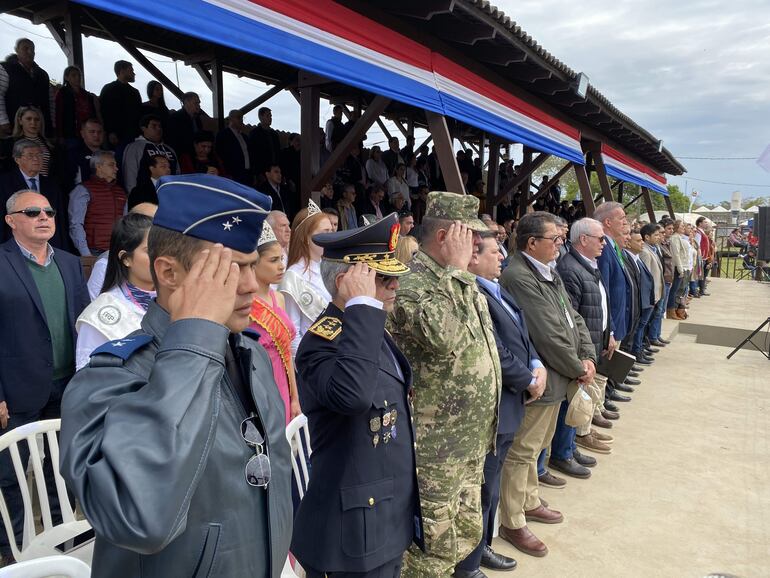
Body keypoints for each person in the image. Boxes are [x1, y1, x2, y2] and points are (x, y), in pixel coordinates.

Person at [59, 173, 292, 577]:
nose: (250, 286)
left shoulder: (249, 353)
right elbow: (139, 517)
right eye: (229, 270)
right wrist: (195, 335)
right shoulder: (109, 379)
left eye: (253, 266)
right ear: (168, 273)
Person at [293, 213, 421, 577]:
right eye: (381, 278)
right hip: (354, 531)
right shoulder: (322, 342)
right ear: (346, 283)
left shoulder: (367, 326)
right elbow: (353, 397)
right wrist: (361, 305)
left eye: (394, 276)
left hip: (383, 513)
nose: (394, 285)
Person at [387, 192, 501, 577]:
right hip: (435, 448)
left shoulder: (458, 280)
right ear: (444, 237)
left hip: (467, 440)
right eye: (471, 235)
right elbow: (443, 336)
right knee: (429, 552)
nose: (478, 243)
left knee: (463, 534)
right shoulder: (412, 283)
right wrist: (456, 271)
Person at [498, 211, 596, 557]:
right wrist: (578, 366)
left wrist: (587, 355)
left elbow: (573, 318)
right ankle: (512, 520)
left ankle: (529, 500)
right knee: (522, 451)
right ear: (531, 243)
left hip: (558, 374)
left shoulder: (547, 270)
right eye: (554, 239)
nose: (560, 244)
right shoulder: (518, 276)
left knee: (538, 444)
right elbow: (547, 334)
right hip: (542, 378)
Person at [0, 189, 89, 562]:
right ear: (11, 221)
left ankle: (62, 541)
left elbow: (83, 321)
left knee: (61, 466)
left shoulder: (69, 263)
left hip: (67, 385)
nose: (44, 217)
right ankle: (11, 550)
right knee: (10, 473)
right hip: (15, 388)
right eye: (33, 211)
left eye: (49, 211)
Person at [456, 232, 547, 576]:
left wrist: (536, 363)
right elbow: (495, 350)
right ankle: (470, 561)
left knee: (491, 486)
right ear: (473, 257)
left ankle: (483, 547)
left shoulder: (497, 288)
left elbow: (522, 335)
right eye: (495, 252)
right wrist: (527, 379)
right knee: (482, 488)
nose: (502, 258)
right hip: (494, 406)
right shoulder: (473, 295)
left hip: (511, 402)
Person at [556, 218, 615, 455]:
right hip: (580, 349)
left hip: (592, 342)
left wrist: (608, 333)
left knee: (582, 397)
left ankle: (574, 443)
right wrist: (582, 353)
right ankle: (564, 451)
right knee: (572, 401)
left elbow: (601, 303)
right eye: (600, 238)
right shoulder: (570, 269)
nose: (604, 243)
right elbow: (572, 317)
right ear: (583, 239)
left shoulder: (589, 265)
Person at [75, 213, 155, 369]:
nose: (161, 256)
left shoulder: (177, 302)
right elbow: (89, 376)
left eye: (164, 247)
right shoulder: (98, 316)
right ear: (126, 258)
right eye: (150, 250)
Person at [247, 222, 299, 424]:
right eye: (273, 260)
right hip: (261, 386)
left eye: (281, 259)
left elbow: (287, 353)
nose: (281, 266)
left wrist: (295, 398)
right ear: (254, 263)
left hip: (284, 384)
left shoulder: (279, 298)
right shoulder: (244, 305)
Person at [280, 201, 334, 357]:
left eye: (331, 231)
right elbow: (293, 334)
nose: (331, 237)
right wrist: (307, 365)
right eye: (325, 232)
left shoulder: (330, 268)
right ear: (306, 238)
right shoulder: (293, 277)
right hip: (314, 358)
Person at [0, 139, 69, 250]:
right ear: (17, 159)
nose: (36, 159)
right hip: (16, 245)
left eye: (39, 155)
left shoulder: (52, 184)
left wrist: (62, 248)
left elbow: (60, 220)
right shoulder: (4, 183)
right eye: (30, 156)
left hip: (50, 246)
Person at [86, 202, 157, 301]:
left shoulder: (170, 295)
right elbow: (91, 301)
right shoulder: (108, 303)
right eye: (150, 250)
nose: (160, 256)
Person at [68, 150, 127, 256]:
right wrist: (86, 254)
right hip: (94, 251)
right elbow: (76, 224)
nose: (116, 168)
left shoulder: (120, 192)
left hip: (117, 251)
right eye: (111, 165)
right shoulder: (83, 190)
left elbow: (125, 224)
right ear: (98, 167)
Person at [0, 39, 52, 135]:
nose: (30, 52)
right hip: (12, 127)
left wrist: (51, 126)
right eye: (25, 48)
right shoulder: (5, 68)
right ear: (17, 50)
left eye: (32, 49)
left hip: (39, 129)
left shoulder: (43, 75)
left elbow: (49, 102)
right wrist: (3, 120)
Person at [121, 113, 180, 192]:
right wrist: (133, 196)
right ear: (143, 128)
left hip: (171, 192)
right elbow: (130, 174)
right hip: (146, 195)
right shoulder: (135, 147)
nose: (158, 129)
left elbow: (177, 173)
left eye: (160, 126)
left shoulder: (169, 149)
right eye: (154, 126)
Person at [626, 228, 656, 364]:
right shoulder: (628, 258)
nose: (642, 243)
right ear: (628, 243)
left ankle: (637, 351)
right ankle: (635, 353)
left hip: (644, 300)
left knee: (640, 327)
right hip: (639, 301)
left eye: (642, 240)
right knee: (636, 329)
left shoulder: (637, 258)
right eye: (638, 241)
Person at [99, 60, 142, 146]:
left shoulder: (134, 92)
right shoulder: (109, 89)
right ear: (122, 71)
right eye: (131, 70)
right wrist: (110, 131)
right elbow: (105, 112)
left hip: (132, 135)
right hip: (118, 135)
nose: (134, 73)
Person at [54, 65, 100, 146]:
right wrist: (60, 135)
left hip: (87, 132)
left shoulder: (86, 95)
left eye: (79, 75)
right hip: (71, 133)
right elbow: (59, 114)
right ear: (67, 77)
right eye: (74, 75)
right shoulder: (63, 93)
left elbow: (92, 114)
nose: (77, 78)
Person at [2, 105, 54, 176]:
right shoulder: (10, 144)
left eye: (37, 119)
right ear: (20, 121)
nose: (33, 123)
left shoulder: (49, 144)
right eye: (29, 119)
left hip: (46, 181)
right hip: (19, 182)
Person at [64, 117, 104, 189]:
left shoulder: (109, 154)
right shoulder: (73, 155)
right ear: (82, 134)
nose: (96, 135)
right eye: (92, 132)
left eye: (99, 132)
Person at [216, 109, 253, 185]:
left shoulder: (244, 137)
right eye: (239, 117)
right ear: (231, 119)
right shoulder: (223, 135)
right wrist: (226, 173)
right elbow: (221, 155)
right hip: (233, 175)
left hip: (247, 174)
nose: (241, 120)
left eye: (242, 118)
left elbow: (250, 155)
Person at [166, 92, 204, 158]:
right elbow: (174, 141)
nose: (199, 106)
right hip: (181, 155)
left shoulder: (197, 119)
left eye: (199, 103)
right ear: (187, 102)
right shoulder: (175, 118)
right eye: (196, 103)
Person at [249, 106, 281, 176]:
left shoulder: (274, 134)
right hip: (262, 171)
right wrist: (258, 173)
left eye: (271, 116)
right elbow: (253, 155)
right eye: (268, 116)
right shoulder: (255, 134)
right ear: (260, 117)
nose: (270, 118)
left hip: (275, 170)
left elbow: (278, 153)